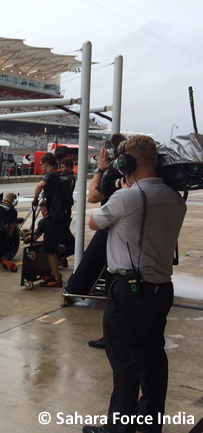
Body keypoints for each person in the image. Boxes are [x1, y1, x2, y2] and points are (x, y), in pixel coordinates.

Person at [82, 135, 186, 433]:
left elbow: (93, 222)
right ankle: (150, 419)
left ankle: (119, 427)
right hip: (161, 289)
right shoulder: (174, 199)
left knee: (125, 362)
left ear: (127, 163)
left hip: (129, 291)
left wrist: (122, 188)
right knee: (153, 356)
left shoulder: (127, 197)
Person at [64, 134, 126, 349]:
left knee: (113, 282)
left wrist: (100, 169)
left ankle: (112, 338)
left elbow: (92, 197)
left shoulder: (115, 174)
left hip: (113, 229)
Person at [32, 152, 73, 287]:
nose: (41, 167)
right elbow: (71, 184)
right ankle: (54, 271)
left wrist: (35, 199)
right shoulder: (65, 176)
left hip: (55, 216)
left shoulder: (51, 175)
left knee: (48, 248)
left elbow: (39, 185)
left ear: (47, 164)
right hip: (66, 216)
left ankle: (56, 277)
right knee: (54, 243)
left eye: (42, 165)